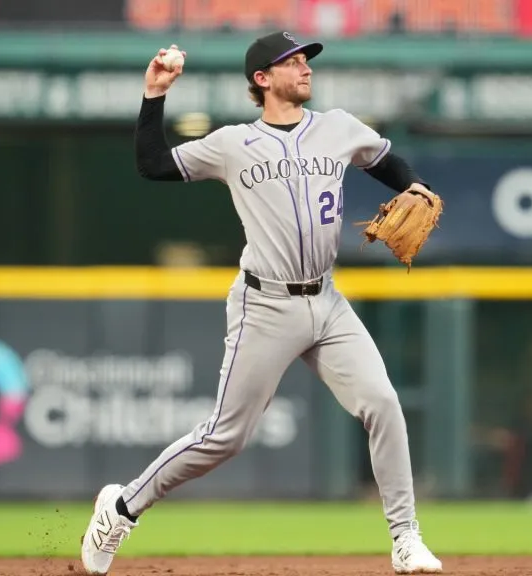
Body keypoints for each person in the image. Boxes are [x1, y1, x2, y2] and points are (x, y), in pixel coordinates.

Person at [79, 31, 443, 575]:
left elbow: (386, 161)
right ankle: (122, 507)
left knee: (383, 405)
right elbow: (152, 164)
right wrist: (154, 95)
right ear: (262, 79)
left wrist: (414, 186)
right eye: (292, 62)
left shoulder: (338, 127)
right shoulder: (231, 144)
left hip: (328, 301)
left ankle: (406, 538)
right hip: (265, 307)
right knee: (226, 437)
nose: (305, 68)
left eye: (306, 60)